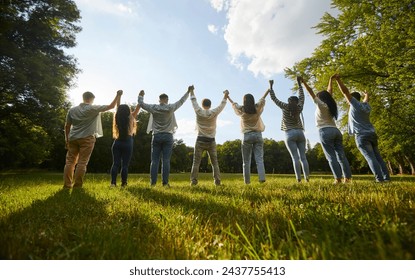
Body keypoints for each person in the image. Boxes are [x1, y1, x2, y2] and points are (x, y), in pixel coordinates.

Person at [334, 74, 390, 183]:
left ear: (352, 99)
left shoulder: (355, 105)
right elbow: (366, 100)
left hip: (362, 136)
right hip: (372, 134)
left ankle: (379, 179)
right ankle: (386, 178)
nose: (346, 100)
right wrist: (367, 94)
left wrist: (339, 80)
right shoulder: (366, 106)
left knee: (370, 158)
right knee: (378, 157)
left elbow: (345, 92)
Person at [63, 90, 122, 188]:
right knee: (82, 162)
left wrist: (67, 139)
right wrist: (117, 95)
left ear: (83, 97)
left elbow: (67, 126)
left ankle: (67, 185)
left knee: (69, 162)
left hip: (73, 138)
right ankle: (77, 185)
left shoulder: (72, 110)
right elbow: (111, 106)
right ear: (91, 99)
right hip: (87, 138)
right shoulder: (92, 108)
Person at [301, 75, 352, 184]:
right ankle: (347, 178)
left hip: (325, 131)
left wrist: (303, 82)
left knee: (331, 157)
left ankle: (337, 179)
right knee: (341, 155)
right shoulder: (330, 104)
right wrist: (330, 79)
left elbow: (310, 92)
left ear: (320, 98)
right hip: (336, 131)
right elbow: (329, 91)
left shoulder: (320, 105)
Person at [137, 86, 192, 187]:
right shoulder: (171, 107)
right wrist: (188, 92)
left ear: (159, 100)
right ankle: (165, 183)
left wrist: (141, 95)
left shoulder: (153, 108)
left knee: (154, 161)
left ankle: (153, 183)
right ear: (166, 100)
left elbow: (141, 104)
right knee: (166, 160)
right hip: (168, 136)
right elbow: (181, 101)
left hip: (156, 136)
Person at [270, 77, 310, 182]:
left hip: (289, 133)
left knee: (295, 158)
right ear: (297, 102)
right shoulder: (300, 107)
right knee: (303, 157)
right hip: (300, 133)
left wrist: (271, 86)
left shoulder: (285, 106)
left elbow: (274, 98)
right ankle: (307, 179)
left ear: (288, 101)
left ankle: (298, 179)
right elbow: (302, 96)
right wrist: (299, 84)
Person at [227, 89, 270, 184]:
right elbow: (263, 98)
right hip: (258, 135)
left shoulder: (242, 110)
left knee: (246, 161)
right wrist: (268, 89)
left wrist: (227, 96)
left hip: (246, 136)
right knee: (259, 159)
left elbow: (233, 103)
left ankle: (247, 182)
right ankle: (262, 179)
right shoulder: (257, 108)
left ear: (244, 101)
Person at [190, 87, 228, 186]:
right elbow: (222, 105)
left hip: (200, 140)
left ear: (202, 105)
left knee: (196, 162)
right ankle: (217, 182)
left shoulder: (198, 111)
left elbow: (193, 101)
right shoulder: (214, 112)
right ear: (210, 105)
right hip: (211, 141)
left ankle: (193, 181)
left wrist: (192, 91)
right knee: (214, 163)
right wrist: (225, 95)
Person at [110, 95, 141, 188]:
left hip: (117, 142)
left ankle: (113, 183)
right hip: (128, 142)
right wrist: (141, 96)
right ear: (128, 111)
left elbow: (118, 106)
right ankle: (124, 183)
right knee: (125, 165)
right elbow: (139, 106)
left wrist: (119, 95)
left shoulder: (117, 117)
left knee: (115, 163)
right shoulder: (131, 117)